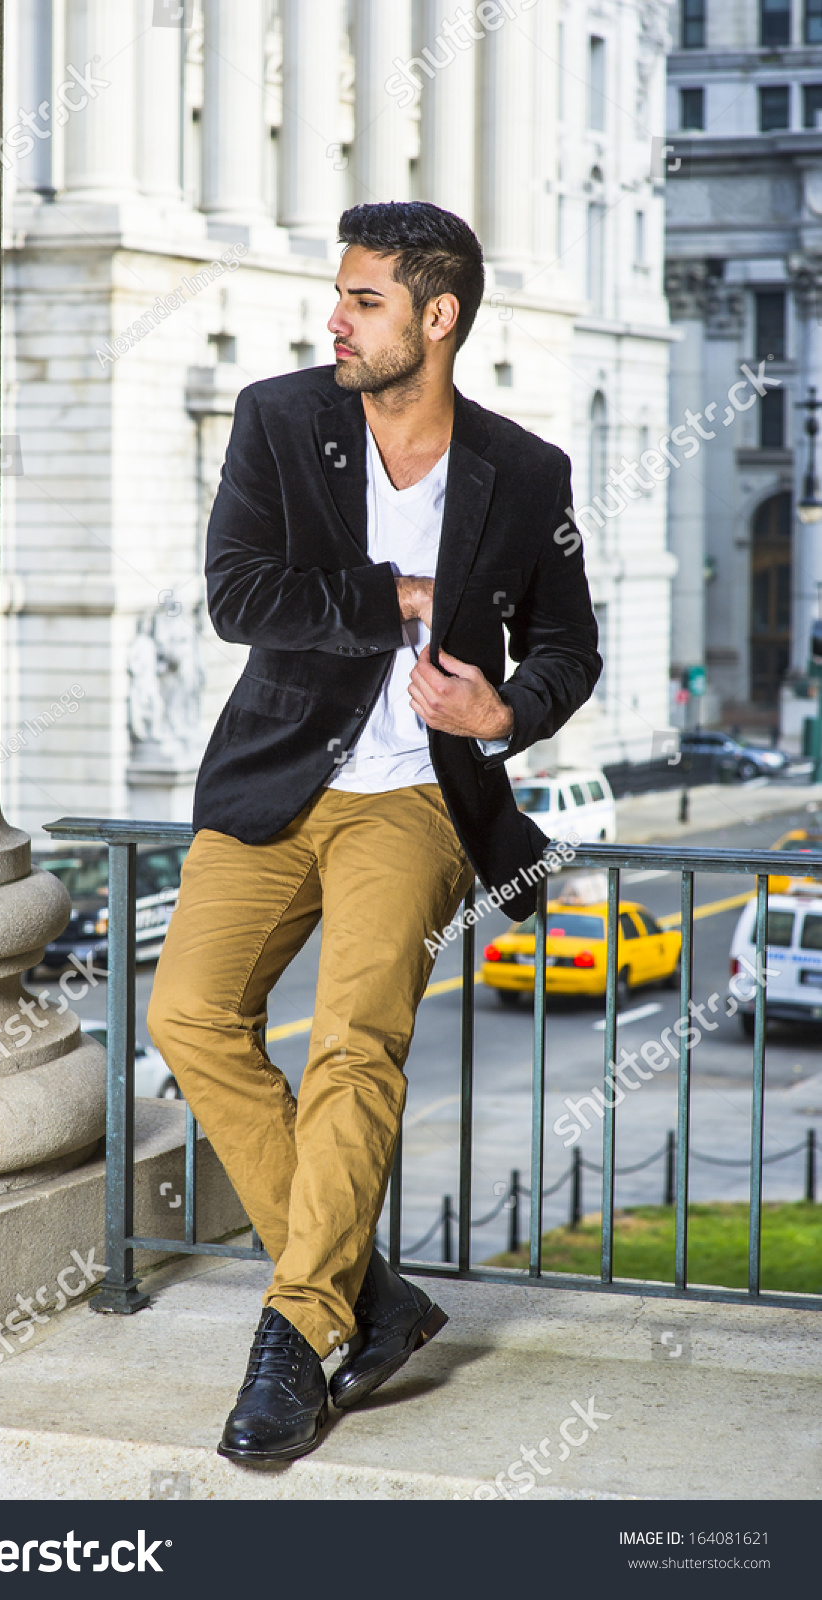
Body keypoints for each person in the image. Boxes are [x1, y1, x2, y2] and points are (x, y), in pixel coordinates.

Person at [148, 201, 601, 1463]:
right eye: (337, 296)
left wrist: (507, 704)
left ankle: (299, 1336)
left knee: (354, 1042)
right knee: (185, 1013)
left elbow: (572, 642)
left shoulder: (524, 475)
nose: (332, 319)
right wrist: (383, 596)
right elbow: (237, 591)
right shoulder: (280, 420)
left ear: (435, 318)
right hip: (275, 779)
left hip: (414, 801)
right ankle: (373, 1293)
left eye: (362, 300)